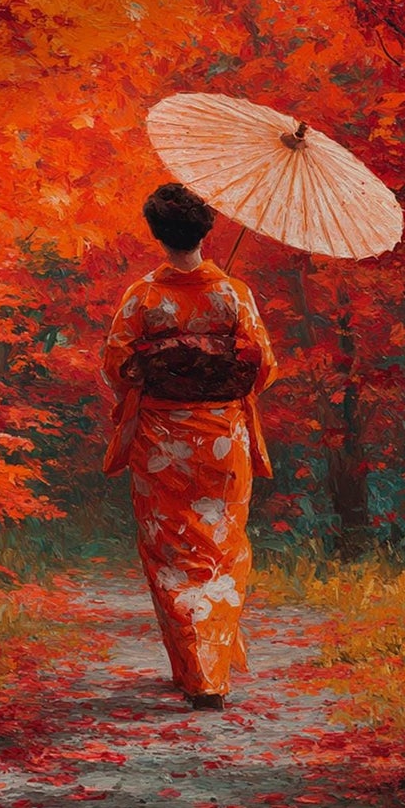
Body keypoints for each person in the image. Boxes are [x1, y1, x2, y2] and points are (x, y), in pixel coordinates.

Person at [102, 183, 277, 710]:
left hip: (161, 438)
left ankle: (196, 671)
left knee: (170, 553)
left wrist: (168, 362)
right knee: (221, 549)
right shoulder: (234, 293)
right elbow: (263, 367)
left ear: (157, 233)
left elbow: (117, 366)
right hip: (223, 437)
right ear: (206, 231)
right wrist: (216, 358)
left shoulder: (143, 296)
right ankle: (208, 667)